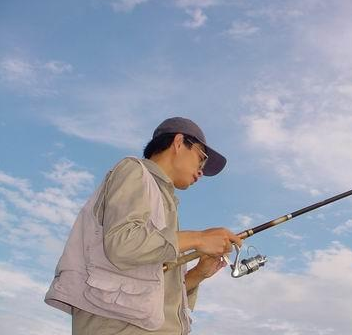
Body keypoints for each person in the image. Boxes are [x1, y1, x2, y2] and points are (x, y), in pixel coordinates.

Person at [45, 117, 242, 334]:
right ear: (178, 142)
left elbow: (157, 295)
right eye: (201, 157)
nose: (201, 170)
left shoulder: (165, 204)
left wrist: (199, 273)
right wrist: (198, 238)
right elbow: (123, 244)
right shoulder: (134, 170)